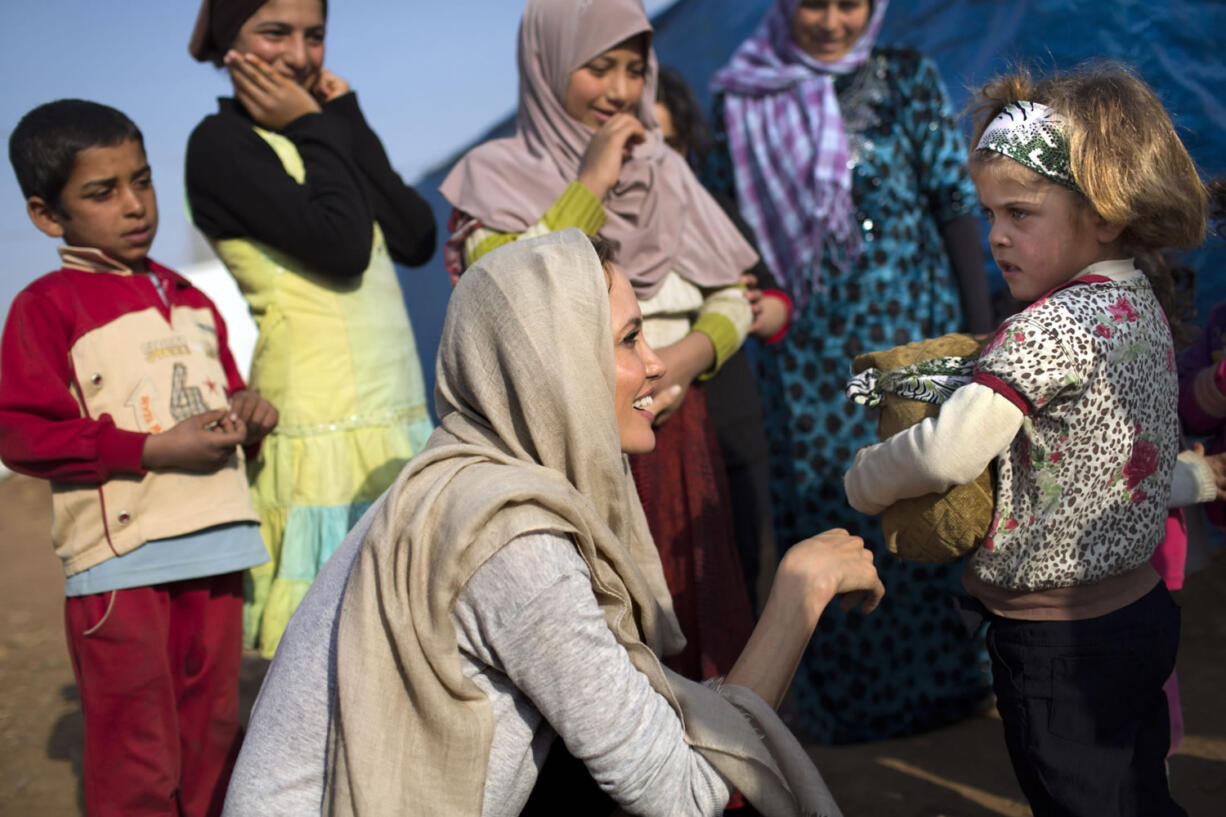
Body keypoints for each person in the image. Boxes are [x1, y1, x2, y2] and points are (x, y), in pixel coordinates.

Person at [220, 229, 884, 817]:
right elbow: (684, 792)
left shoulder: (453, 478)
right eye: (628, 338)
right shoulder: (512, 542)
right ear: (551, 364)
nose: (655, 363)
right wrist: (798, 593)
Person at [844, 63, 1207, 816]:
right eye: (987, 215)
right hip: (1139, 616)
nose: (997, 237)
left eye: (1020, 212)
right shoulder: (1138, 303)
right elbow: (1112, 461)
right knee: (1135, 792)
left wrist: (864, 475)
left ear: (1104, 213)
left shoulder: (1047, 327)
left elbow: (947, 452)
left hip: (1059, 648)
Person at [439, 0, 761, 681]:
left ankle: (715, 780)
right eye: (598, 67)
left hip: (678, 433)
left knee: (695, 614)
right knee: (602, 637)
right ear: (547, 64)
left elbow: (735, 294)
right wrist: (588, 184)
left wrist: (678, 361)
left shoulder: (664, 169)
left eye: (633, 68)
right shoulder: (494, 179)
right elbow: (507, 295)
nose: (619, 90)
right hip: (573, 449)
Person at [707, 0, 994, 742]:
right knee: (835, 506)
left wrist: (975, 331)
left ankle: (960, 681)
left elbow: (954, 204)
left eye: (850, 3)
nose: (832, 21)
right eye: (812, 2)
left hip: (913, 339)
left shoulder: (905, 79)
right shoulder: (738, 102)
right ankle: (853, 708)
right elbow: (721, 232)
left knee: (931, 491)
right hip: (810, 365)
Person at [1, 99, 277, 817]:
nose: (135, 205)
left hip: (217, 545)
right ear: (46, 214)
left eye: (143, 180)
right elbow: (22, 431)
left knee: (215, 732)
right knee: (140, 752)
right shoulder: (46, 306)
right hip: (125, 564)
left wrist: (249, 415)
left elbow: (224, 392)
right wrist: (151, 448)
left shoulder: (190, 299)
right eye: (103, 191)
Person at [186, 0, 437, 657]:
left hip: (397, 420)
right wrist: (312, 126)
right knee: (336, 647)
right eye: (274, 33)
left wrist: (343, 119)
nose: (299, 56)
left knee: (417, 630)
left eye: (315, 35)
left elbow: (415, 235)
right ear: (227, 46)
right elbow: (342, 245)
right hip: (322, 431)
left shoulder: (323, 131)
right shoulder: (219, 146)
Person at [655, 65, 792, 607]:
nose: (657, 162)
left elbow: (778, 300)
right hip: (657, 444)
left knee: (745, 585)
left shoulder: (713, 216)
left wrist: (753, 310)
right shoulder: (601, 236)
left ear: (688, 146)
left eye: (670, 145)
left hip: (731, 435)